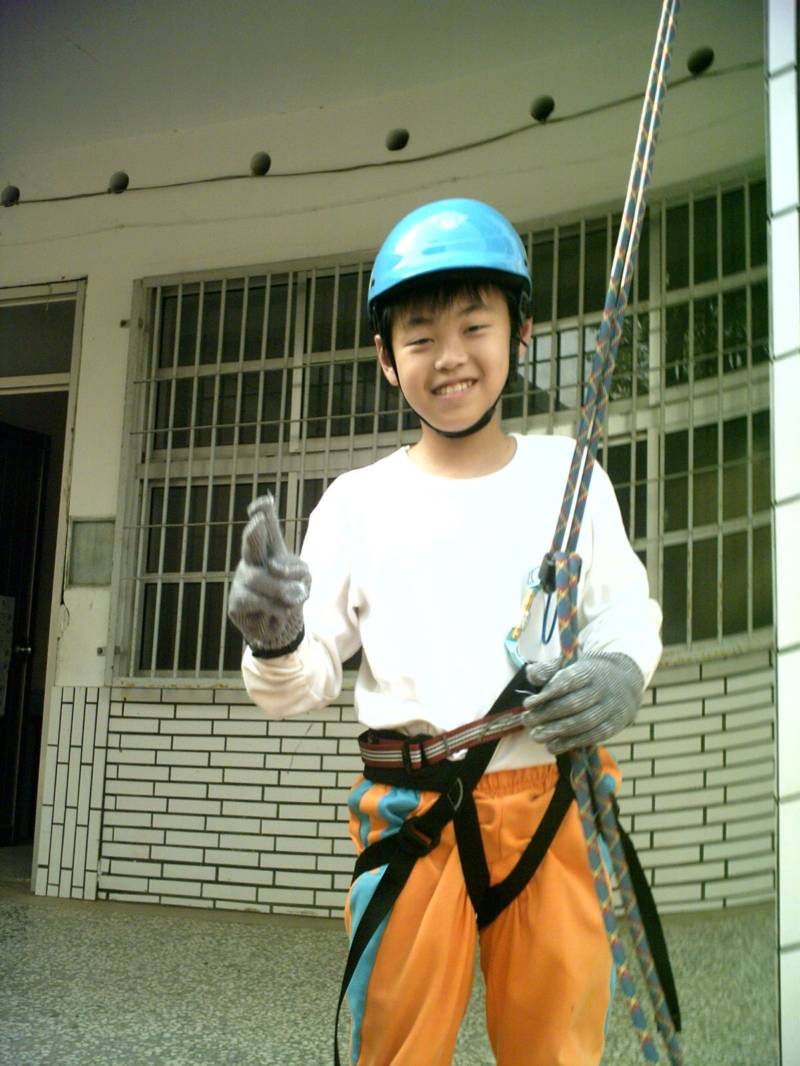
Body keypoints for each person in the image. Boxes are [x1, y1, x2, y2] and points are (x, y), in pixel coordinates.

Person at [228, 198, 662, 1066]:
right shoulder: (356, 503)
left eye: (474, 325)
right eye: (420, 337)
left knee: (558, 1048)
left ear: (521, 333)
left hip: (555, 804)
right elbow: (302, 682)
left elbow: (624, 611)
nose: (451, 356)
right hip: (414, 816)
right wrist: (276, 640)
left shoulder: (569, 475)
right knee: (396, 1048)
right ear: (387, 360)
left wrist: (621, 671)